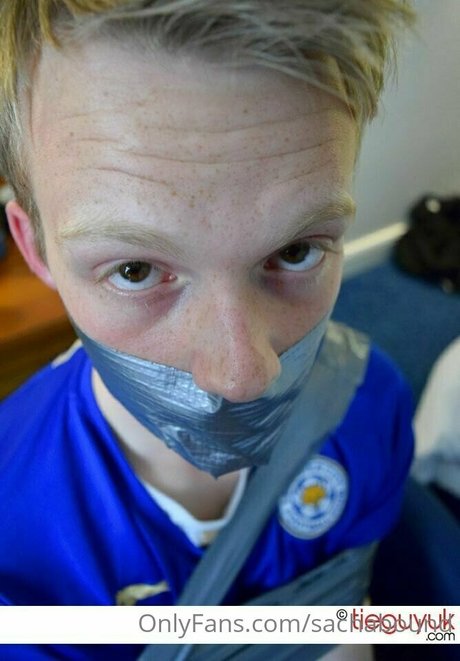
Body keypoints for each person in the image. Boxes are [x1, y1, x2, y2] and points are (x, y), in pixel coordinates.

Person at [0, 1, 415, 659]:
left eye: (296, 251)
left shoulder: (367, 403)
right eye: (135, 270)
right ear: (36, 248)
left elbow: (346, 623)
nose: (243, 376)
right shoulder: (14, 531)